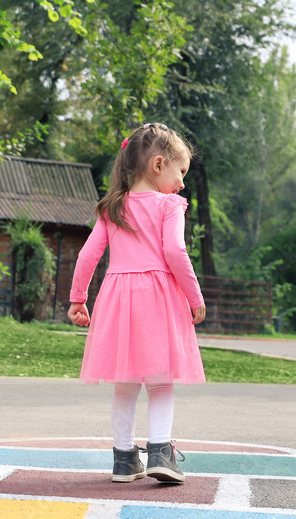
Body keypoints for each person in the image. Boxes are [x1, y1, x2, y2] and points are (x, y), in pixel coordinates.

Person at [68, 122, 206, 485]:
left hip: (117, 299)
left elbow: (87, 256)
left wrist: (78, 299)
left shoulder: (112, 208)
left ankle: (124, 460)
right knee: (161, 382)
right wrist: (195, 297)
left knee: (124, 384)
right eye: (181, 172)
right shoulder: (169, 205)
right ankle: (161, 452)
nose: (182, 183)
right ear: (158, 165)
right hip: (159, 297)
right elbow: (175, 251)